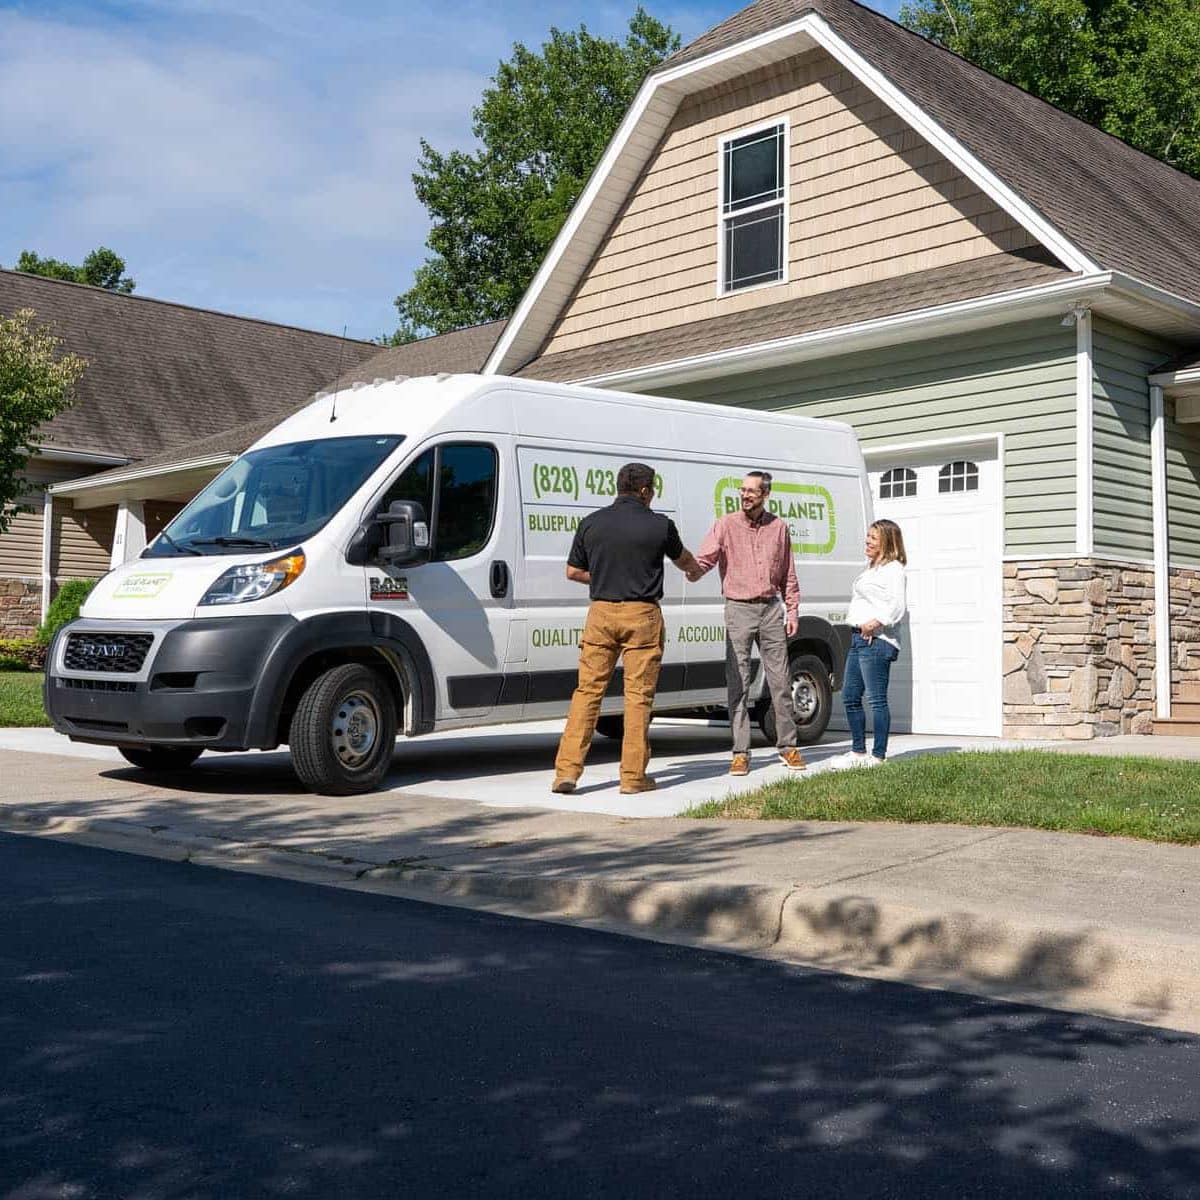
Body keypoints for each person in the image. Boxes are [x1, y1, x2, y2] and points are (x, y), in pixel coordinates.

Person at [552, 462, 702, 796]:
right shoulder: (661, 525)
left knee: (587, 693)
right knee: (637, 698)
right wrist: (696, 570)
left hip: (601, 614)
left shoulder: (591, 523)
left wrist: (606, 576)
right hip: (643, 616)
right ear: (645, 490)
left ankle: (566, 773)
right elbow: (685, 562)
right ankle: (632, 777)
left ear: (619, 487)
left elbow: (573, 572)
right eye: (653, 490)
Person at [693, 470, 807, 777]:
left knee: (780, 681)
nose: (745, 495)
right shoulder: (725, 525)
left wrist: (792, 611)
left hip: (771, 609)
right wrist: (686, 567)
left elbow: (788, 574)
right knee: (739, 681)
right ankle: (740, 752)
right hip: (738, 608)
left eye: (751, 491)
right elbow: (704, 560)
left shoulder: (779, 528)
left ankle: (788, 747)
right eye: (743, 490)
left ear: (765, 495)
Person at [829, 518, 908, 769]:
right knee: (850, 696)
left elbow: (897, 607)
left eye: (873, 537)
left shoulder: (894, 569)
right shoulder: (872, 568)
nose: (867, 541)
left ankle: (878, 756)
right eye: (868, 536)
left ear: (887, 541)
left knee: (876, 700)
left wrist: (873, 624)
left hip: (876, 640)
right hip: (858, 639)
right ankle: (858, 753)